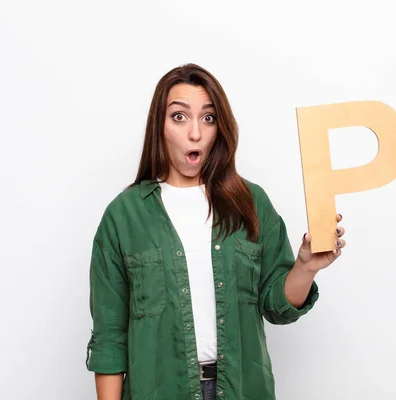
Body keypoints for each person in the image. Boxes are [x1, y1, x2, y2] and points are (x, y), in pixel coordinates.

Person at [85, 63, 346, 400]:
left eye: (207, 118)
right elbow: (110, 337)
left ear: (219, 128)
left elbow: (277, 306)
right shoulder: (124, 215)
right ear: (159, 126)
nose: (195, 133)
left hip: (241, 390)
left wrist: (306, 267)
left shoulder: (251, 202)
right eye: (179, 117)